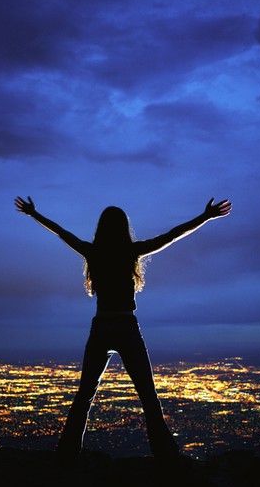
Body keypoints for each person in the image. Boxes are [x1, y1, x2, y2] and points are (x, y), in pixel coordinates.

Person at [14, 195, 232, 460]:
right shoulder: (131, 252)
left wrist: (34, 215)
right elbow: (172, 235)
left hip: (102, 326)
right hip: (127, 326)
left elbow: (62, 233)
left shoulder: (92, 252)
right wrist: (205, 217)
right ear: (124, 228)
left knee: (85, 395)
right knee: (148, 396)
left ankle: (67, 454)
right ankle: (166, 456)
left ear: (101, 228)